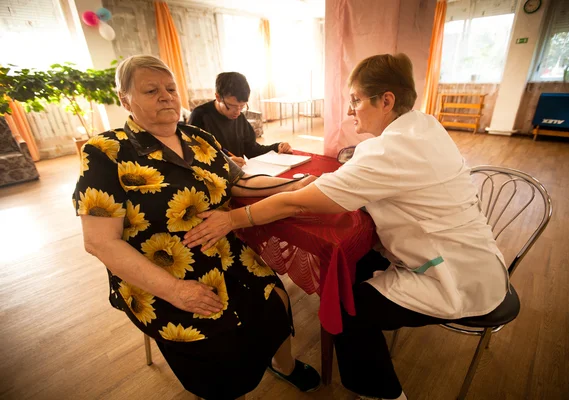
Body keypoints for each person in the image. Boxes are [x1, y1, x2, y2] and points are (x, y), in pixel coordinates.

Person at [183, 53, 510, 400]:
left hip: (457, 280)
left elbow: (296, 202)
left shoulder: (390, 151)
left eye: (355, 100)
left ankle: (383, 394)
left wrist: (233, 218)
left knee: (343, 305)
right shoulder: (425, 126)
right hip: (478, 259)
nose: (350, 110)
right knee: (354, 262)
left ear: (386, 100)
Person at [72, 55, 320, 400]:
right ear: (125, 99)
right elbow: (100, 243)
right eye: (151, 90)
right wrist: (175, 291)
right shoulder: (106, 152)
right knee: (215, 349)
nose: (166, 96)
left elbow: (240, 183)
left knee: (275, 301)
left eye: (171, 88)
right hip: (162, 271)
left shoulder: (198, 138)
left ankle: (283, 365)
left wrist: (292, 185)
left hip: (224, 251)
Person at [188, 72, 292, 167]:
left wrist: (277, 147)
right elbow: (193, 159)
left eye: (242, 106)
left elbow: (252, 150)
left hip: (240, 174)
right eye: (232, 106)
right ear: (218, 97)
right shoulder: (200, 116)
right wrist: (225, 162)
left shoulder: (239, 117)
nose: (237, 112)